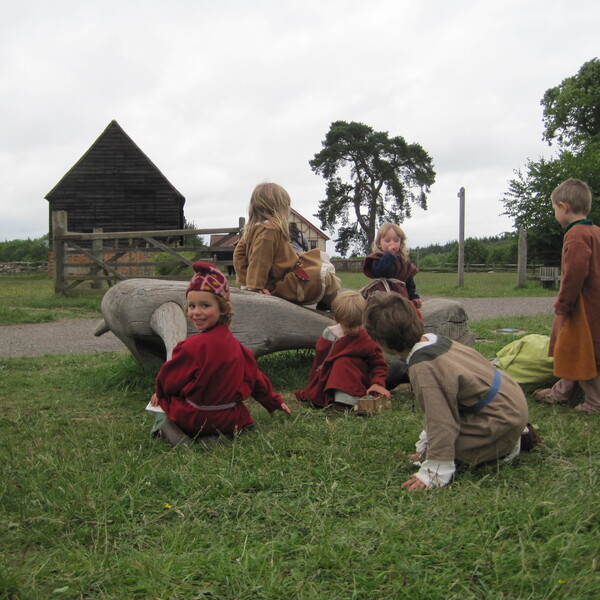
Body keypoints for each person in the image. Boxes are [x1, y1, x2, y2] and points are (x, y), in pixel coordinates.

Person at [364, 292, 531, 490]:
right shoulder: (435, 341)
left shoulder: (424, 367)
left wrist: (433, 471)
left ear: (380, 342)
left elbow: (440, 421)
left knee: (453, 450)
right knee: (438, 445)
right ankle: (513, 434)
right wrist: (425, 448)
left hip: (501, 417)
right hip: (510, 402)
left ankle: (509, 445)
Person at [149, 261, 291, 446]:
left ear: (223, 308)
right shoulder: (239, 348)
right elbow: (256, 379)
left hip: (196, 418)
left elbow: (169, 379)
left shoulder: (190, 347)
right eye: (191, 306)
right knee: (229, 415)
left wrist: (160, 393)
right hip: (230, 419)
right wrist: (273, 402)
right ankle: (217, 437)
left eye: (205, 305)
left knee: (160, 409)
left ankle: (174, 434)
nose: (196, 312)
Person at [533, 178, 600, 413]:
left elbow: (575, 272)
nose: (555, 214)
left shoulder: (576, 234)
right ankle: (562, 390)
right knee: (571, 347)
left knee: (582, 350)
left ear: (564, 207)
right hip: (595, 304)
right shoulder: (596, 231)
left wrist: (564, 303)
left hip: (582, 307)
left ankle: (594, 402)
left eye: (554, 210)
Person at [233, 182, 340, 308]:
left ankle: (328, 304)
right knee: (325, 277)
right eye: (287, 207)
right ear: (279, 207)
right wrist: (255, 287)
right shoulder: (271, 229)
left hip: (279, 277)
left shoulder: (251, 229)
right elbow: (260, 259)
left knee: (316, 259)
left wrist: (245, 281)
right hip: (279, 283)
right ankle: (338, 308)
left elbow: (238, 255)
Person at [295, 290, 390, 411]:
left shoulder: (367, 336)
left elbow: (378, 364)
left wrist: (377, 383)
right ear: (336, 319)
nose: (355, 330)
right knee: (338, 364)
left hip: (358, 379)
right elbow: (319, 363)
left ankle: (346, 402)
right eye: (350, 326)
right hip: (331, 376)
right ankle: (331, 397)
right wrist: (313, 387)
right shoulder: (329, 335)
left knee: (344, 361)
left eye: (359, 324)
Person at [361, 223, 422, 308]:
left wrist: (413, 297)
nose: (392, 243)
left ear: (400, 243)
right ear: (379, 243)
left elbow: (409, 281)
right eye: (387, 240)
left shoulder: (403, 262)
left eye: (396, 241)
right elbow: (382, 271)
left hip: (400, 295)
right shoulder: (376, 259)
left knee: (405, 313)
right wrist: (389, 255)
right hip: (380, 295)